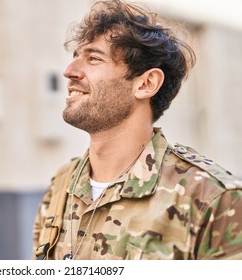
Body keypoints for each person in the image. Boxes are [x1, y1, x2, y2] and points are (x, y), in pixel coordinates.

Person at [32, 0, 242, 260]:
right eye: (75, 57)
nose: (69, 71)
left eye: (93, 58)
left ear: (146, 83)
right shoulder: (60, 187)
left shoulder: (213, 199)